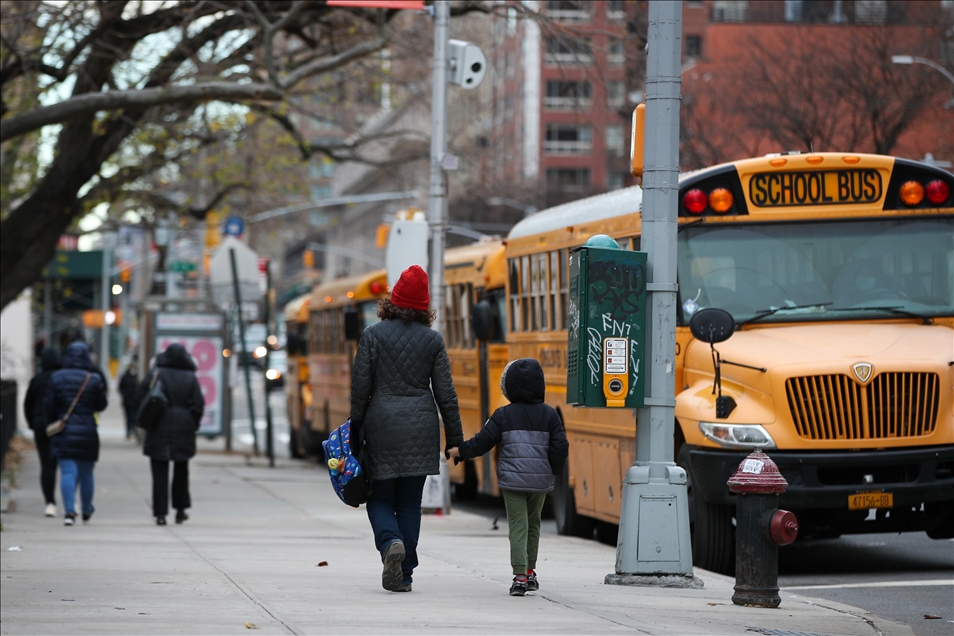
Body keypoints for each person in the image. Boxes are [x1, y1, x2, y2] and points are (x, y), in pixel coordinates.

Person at [349, 265, 464, 593]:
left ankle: (390, 544)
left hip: (382, 424)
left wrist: (355, 428)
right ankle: (407, 573)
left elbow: (361, 387)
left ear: (392, 299)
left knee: (380, 496)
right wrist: (455, 439)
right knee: (411, 503)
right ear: (425, 306)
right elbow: (446, 393)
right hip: (421, 426)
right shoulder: (433, 340)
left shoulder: (372, 335)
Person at [447, 358, 569, 597]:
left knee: (518, 524)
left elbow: (482, 442)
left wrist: (460, 451)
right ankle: (530, 572)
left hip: (513, 481)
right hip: (540, 481)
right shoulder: (550, 416)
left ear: (510, 385)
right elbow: (560, 447)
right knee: (533, 523)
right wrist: (552, 470)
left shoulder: (503, 415)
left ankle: (520, 577)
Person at [136, 343, 204, 526]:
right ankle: (180, 510)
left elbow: (141, 394)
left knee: (159, 470)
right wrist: (192, 422)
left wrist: (145, 419)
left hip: (158, 423)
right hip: (184, 425)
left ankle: (160, 513)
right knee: (182, 469)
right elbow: (198, 403)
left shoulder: (157, 373)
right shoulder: (190, 377)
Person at [44, 341, 108, 526]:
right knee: (87, 473)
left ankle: (69, 511)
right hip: (88, 430)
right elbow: (101, 405)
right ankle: (87, 508)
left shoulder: (57, 377)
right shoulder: (93, 379)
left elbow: (49, 406)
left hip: (64, 431)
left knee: (68, 472)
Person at [23, 347, 62, 517]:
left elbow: (28, 404)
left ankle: (50, 503)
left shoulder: (37, 380)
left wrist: (32, 424)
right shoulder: (62, 378)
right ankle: (70, 501)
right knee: (67, 465)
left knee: (47, 465)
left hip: (41, 426)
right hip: (61, 426)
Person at [118, 356, 139, 440]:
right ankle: (128, 431)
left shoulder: (136, 377)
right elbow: (120, 387)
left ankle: (133, 430)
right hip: (127, 400)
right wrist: (124, 394)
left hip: (134, 400)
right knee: (127, 416)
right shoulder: (125, 376)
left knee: (133, 416)